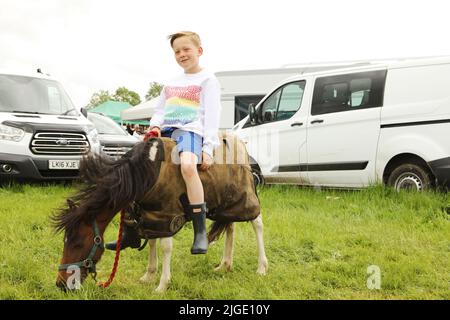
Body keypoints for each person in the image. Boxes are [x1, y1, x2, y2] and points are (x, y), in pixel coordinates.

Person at [106, 31, 221, 254]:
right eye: (177, 51)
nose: (181, 54)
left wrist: (208, 148)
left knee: (188, 166)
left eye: (186, 49)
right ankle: (130, 232)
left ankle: (200, 232)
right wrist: (155, 126)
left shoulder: (208, 80)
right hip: (165, 132)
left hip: (190, 131)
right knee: (131, 168)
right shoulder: (170, 82)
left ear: (199, 50)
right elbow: (159, 111)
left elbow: (213, 116)